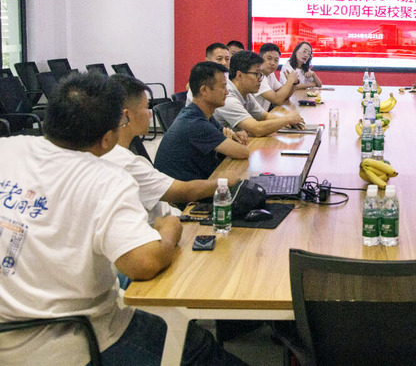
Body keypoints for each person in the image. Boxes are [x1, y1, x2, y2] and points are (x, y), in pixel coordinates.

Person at [0, 72, 244, 365]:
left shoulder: (8, 148)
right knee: (193, 343)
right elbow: (143, 264)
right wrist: (169, 229)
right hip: (75, 342)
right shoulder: (106, 178)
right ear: (107, 139)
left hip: (8, 335)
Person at [103, 74, 242, 223]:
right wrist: (225, 181)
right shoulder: (127, 163)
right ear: (127, 116)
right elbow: (186, 192)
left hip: (172, 215)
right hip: (173, 223)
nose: (149, 114)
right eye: (146, 107)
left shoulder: (109, 154)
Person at [155, 62, 250, 181]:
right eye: (223, 87)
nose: (227, 92)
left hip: (199, 181)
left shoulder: (202, 115)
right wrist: (233, 143)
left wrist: (234, 139)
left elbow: (231, 142)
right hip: (187, 190)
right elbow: (243, 152)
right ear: (204, 90)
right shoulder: (195, 123)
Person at [215, 50, 305, 136]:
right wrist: (286, 119)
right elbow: (256, 129)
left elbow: (265, 116)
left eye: (260, 74)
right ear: (239, 75)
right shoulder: (227, 97)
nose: (260, 79)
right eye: (256, 74)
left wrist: (289, 120)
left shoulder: (245, 93)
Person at [254, 42, 298, 111]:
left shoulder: (270, 74)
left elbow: (284, 96)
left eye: (276, 60)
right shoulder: (257, 76)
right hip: (253, 117)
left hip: (264, 114)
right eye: (269, 58)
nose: (272, 63)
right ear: (260, 59)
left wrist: (294, 83)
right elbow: (277, 100)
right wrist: (290, 80)